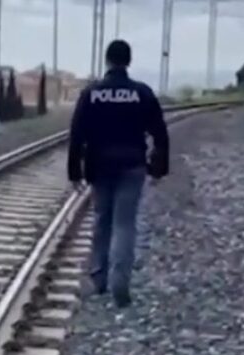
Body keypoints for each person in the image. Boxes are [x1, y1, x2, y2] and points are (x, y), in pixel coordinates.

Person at [67, 39, 169, 308]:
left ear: (107, 61)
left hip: (99, 166)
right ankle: (120, 282)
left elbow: (76, 134)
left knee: (102, 220)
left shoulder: (91, 93)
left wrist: (74, 172)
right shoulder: (142, 93)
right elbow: (160, 134)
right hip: (132, 166)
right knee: (124, 224)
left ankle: (98, 279)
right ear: (128, 61)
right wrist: (158, 168)